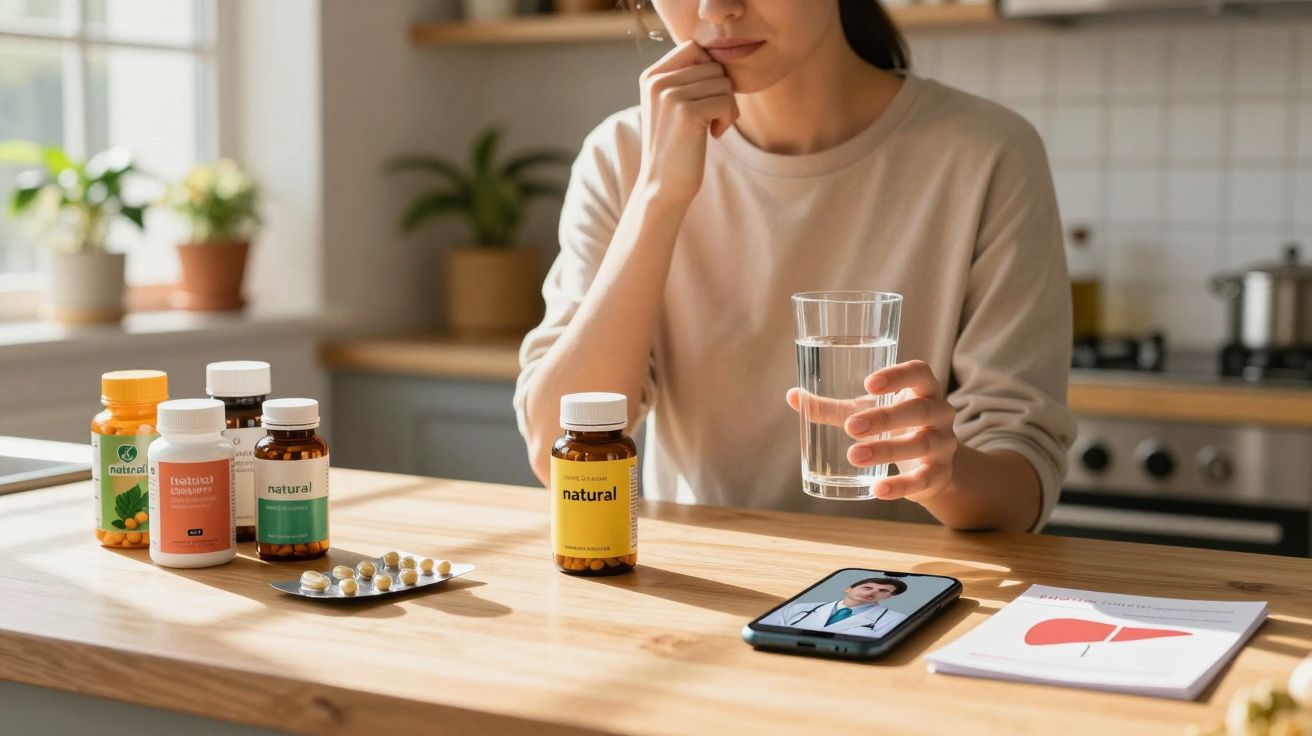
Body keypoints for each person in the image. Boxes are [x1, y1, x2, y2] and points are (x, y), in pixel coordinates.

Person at [514, 0, 1075, 532]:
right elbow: (553, 452)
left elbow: (1021, 491)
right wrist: (659, 197)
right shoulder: (622, 156)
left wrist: (940, 471)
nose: (716, 10)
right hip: (700, 593)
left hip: (905, 599)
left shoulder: (989, 154)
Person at [759, 578, 910, 637]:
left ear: (889, 597)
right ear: (848, 588)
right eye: (867, 587)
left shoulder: (897, 620)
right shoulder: (798, 608)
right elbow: (763, 632)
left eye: (882, 591)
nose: (872, 592)